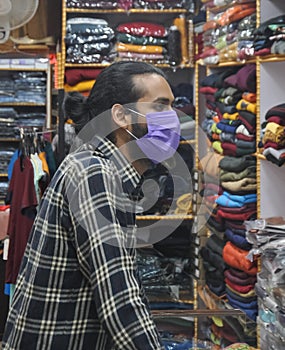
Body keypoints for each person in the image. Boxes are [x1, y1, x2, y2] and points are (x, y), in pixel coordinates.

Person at [2, 61, 181, 350]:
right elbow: (120, 298)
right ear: (121, 115)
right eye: (161, 106)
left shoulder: (102, 168)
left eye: (173, 107)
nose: (173, 119)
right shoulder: (94, 172)